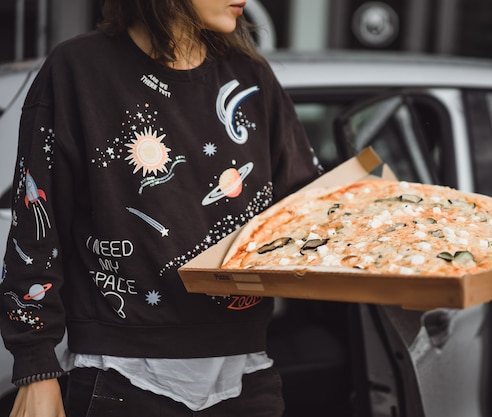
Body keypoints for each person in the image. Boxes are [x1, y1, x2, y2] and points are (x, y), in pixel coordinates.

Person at [0, 0, 322, 415]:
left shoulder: (250, 77)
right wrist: (36, 367)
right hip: (120, 378)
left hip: (246, 378)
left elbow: (308, 207)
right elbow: (36, 223)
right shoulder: (79, 70)